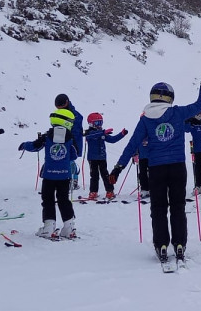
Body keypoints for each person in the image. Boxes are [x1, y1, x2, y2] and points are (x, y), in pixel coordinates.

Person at [110, 75, 201, 265]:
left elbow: (132, 145)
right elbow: (200, 104)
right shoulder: (177, 113)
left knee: (158, 208)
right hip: (177, 167)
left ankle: (162, 244)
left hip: (156, 168)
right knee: (178, 206)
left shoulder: (145, 120)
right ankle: (180, 243)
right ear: (170, 97)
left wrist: (118, 168)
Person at [21, 108, 80, 238]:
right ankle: (69, 226)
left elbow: (35, 146)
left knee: (48, 200)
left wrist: (24, 145)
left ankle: (49, 226)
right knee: (64, 200)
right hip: (64, 175)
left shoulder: (47, 136)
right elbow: (74, 155)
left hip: (49, 176)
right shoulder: (70, 138)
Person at [83, 112, 127, 200]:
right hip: (92, 159)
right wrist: (102, 132)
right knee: (94, 175)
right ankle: (93, 192)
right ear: (91, 123)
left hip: (102, 158)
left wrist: (122, 134)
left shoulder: (102, 133)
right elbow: (91, 136)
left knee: (105, 174)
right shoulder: (89, 133)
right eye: (97, 123)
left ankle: (110, 191)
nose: (99, 125)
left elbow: (112, 139)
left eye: (101, 123)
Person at [54, 93, 84, 189]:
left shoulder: (75, 115)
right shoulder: (59, 112)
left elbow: (76, 129)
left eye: (61, 106)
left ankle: (73, 180)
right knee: (61, 158)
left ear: (66, 102)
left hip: (72, 141)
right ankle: (61, 179)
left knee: (70, 160)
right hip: (60, 139)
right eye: (57, 107)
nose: (59, 108)